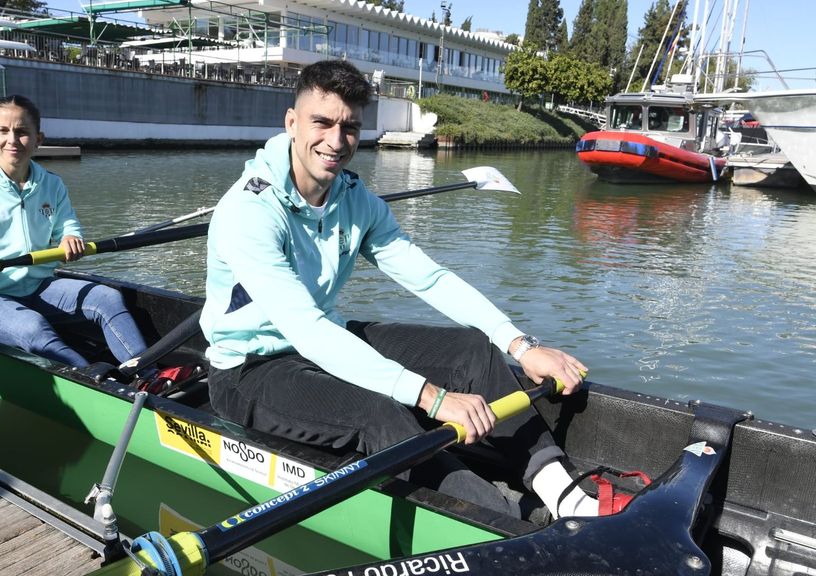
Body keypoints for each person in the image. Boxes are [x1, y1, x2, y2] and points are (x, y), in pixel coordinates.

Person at [200, 60, 597, 520]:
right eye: (322, 123)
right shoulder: (249, 212)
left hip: (320, 343)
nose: (335, 140)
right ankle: (512, 525)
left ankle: (567, 496)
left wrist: (521, 345)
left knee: (473, 349)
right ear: (292, 123)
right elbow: (307, 329)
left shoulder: (356, 201)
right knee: (380, 411)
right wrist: (433, 396)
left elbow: (430, 278)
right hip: (249, 371)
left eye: (349, 127)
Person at [0, 95, 147, 368]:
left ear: (39, 138)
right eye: (3, 131)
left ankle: (147, 374)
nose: (12, 140)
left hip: (38, 285)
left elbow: (68, 225)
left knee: (107, 298)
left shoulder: (52, 184)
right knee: (32, 327)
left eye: (22, 132)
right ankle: (96, 384)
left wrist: (70, 238)